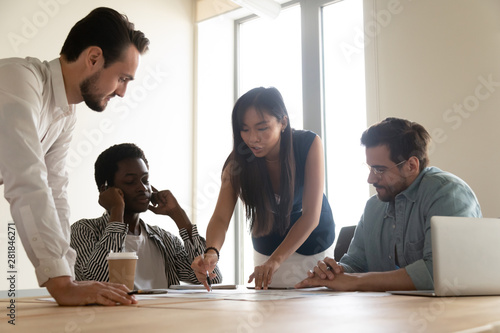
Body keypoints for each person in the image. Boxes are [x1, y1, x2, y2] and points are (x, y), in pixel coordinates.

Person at [0, 7, 150, 305]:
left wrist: (69, 275)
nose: (122, 93)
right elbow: (28, 182)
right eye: (122, 77)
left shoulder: (65, 114)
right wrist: (62, 284)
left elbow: (55, 191)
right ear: (93, 58)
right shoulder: (17, 80)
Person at [295, 117, 482, 291]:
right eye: (370, 168)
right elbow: (355, 264)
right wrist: (332, 273)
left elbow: (441, 273)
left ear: (411, 166)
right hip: (390, 317)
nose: (370, 179)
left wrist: (357, 281)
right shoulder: (373, 207)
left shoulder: (448, 193)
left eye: (379, 170)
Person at [191, 87, 335, 290]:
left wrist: (275, 261)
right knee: (270, 309)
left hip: (313, 241)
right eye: (245, 129)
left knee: (312, 307)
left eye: (262, 128)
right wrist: (211, 252)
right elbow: (221, 217)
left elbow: (311, 216)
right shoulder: (237, 163)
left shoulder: (308, 144)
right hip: (268, 242)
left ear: (283, 122)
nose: (252, 138)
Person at [70, 143, 222, 288]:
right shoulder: (83, 230)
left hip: (163, 315)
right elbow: (94, 280)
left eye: (145, 180)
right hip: (116, 315)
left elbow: (211, 277)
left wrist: (179, 216)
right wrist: (117, 210)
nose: (142, 188)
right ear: (106, 189)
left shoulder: (165, 239)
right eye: (130, 182)